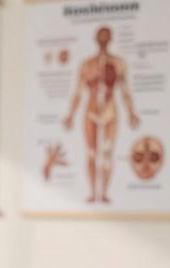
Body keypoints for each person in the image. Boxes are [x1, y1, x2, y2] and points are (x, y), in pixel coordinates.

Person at [63, 26, 139, 204]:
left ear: (110, 39)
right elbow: (78, 92)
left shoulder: (118, 63)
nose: (103, 40)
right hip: (91, 111)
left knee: (106, 153)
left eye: (106, 36)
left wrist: (131, 112)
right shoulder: (87, 65)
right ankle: (92, 192)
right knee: (91, 153)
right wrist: (71, 115)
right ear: (96, 39)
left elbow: (125, 90)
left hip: (110, 110)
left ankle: (103, 192)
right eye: (101, 36)